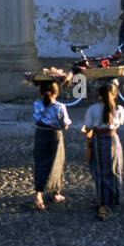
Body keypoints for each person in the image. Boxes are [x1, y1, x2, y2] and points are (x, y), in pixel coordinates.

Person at [81, 79, 124, 219]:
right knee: (115, 169)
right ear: (115, 93)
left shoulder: (93, 109)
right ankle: (114, 198)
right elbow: (120, 123)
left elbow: (87, 127)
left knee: (100, 171)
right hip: (113, 140)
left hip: (98, 140)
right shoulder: (119, 109)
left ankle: (103, 202)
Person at [32, 78, 71, 210]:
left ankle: (38, 195)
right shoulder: (60, 107)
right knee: (56, 164)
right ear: (56, 92)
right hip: (55, 136)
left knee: (40, 163)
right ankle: (56, 193)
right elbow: (65, 125)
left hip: (40, 134)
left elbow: (37, 119)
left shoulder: (37, 104)